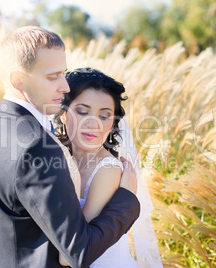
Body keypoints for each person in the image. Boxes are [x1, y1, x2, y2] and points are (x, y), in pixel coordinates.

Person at [0, 26, 140, 268]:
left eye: (63, 74)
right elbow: (76, 252)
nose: (65, 87)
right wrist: (127, 199)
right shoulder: (38, 146)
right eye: (52, 77)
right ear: (18, 80)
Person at [53, 68, 163, 268]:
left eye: (104, 116)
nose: (93, 123)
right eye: (82, 111)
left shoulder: (108, 170)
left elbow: (71, 251)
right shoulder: (58, 158)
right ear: (62, 114)